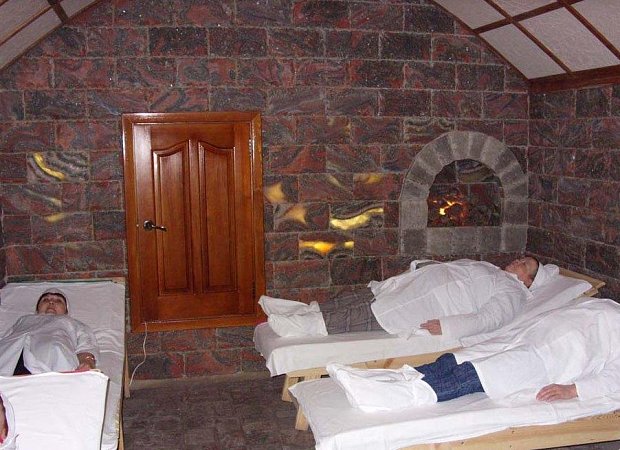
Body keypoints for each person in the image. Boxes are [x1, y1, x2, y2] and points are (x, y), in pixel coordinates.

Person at [327, 296, 620, 411]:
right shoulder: (606, 305)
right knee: (452, 359)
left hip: (546, 361)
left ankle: (384, 397)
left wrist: (573, 390)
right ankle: (383, 380)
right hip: (523, 339)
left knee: (471, 375)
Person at [261, 257, 543, 340]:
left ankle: (302, 326)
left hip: (429, 303)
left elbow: (489, 319)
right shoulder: (494, 271)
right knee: (361, 296)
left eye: (525, 265)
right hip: (417, 285)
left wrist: (448, 326)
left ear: (528, 281)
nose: (518, 261)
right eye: (522, 259)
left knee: (369, 314)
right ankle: (301, 310)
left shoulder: (513, 293)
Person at [0, 288, 99, 376]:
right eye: (45, 300)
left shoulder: (72, 323)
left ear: (66, 311)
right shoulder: (23, 320)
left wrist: (87, 362)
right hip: (10, 355)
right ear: (37, 309)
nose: (51, 302)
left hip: (52, 358)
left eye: (58, 301)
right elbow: (5, 338)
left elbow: (86, 345)